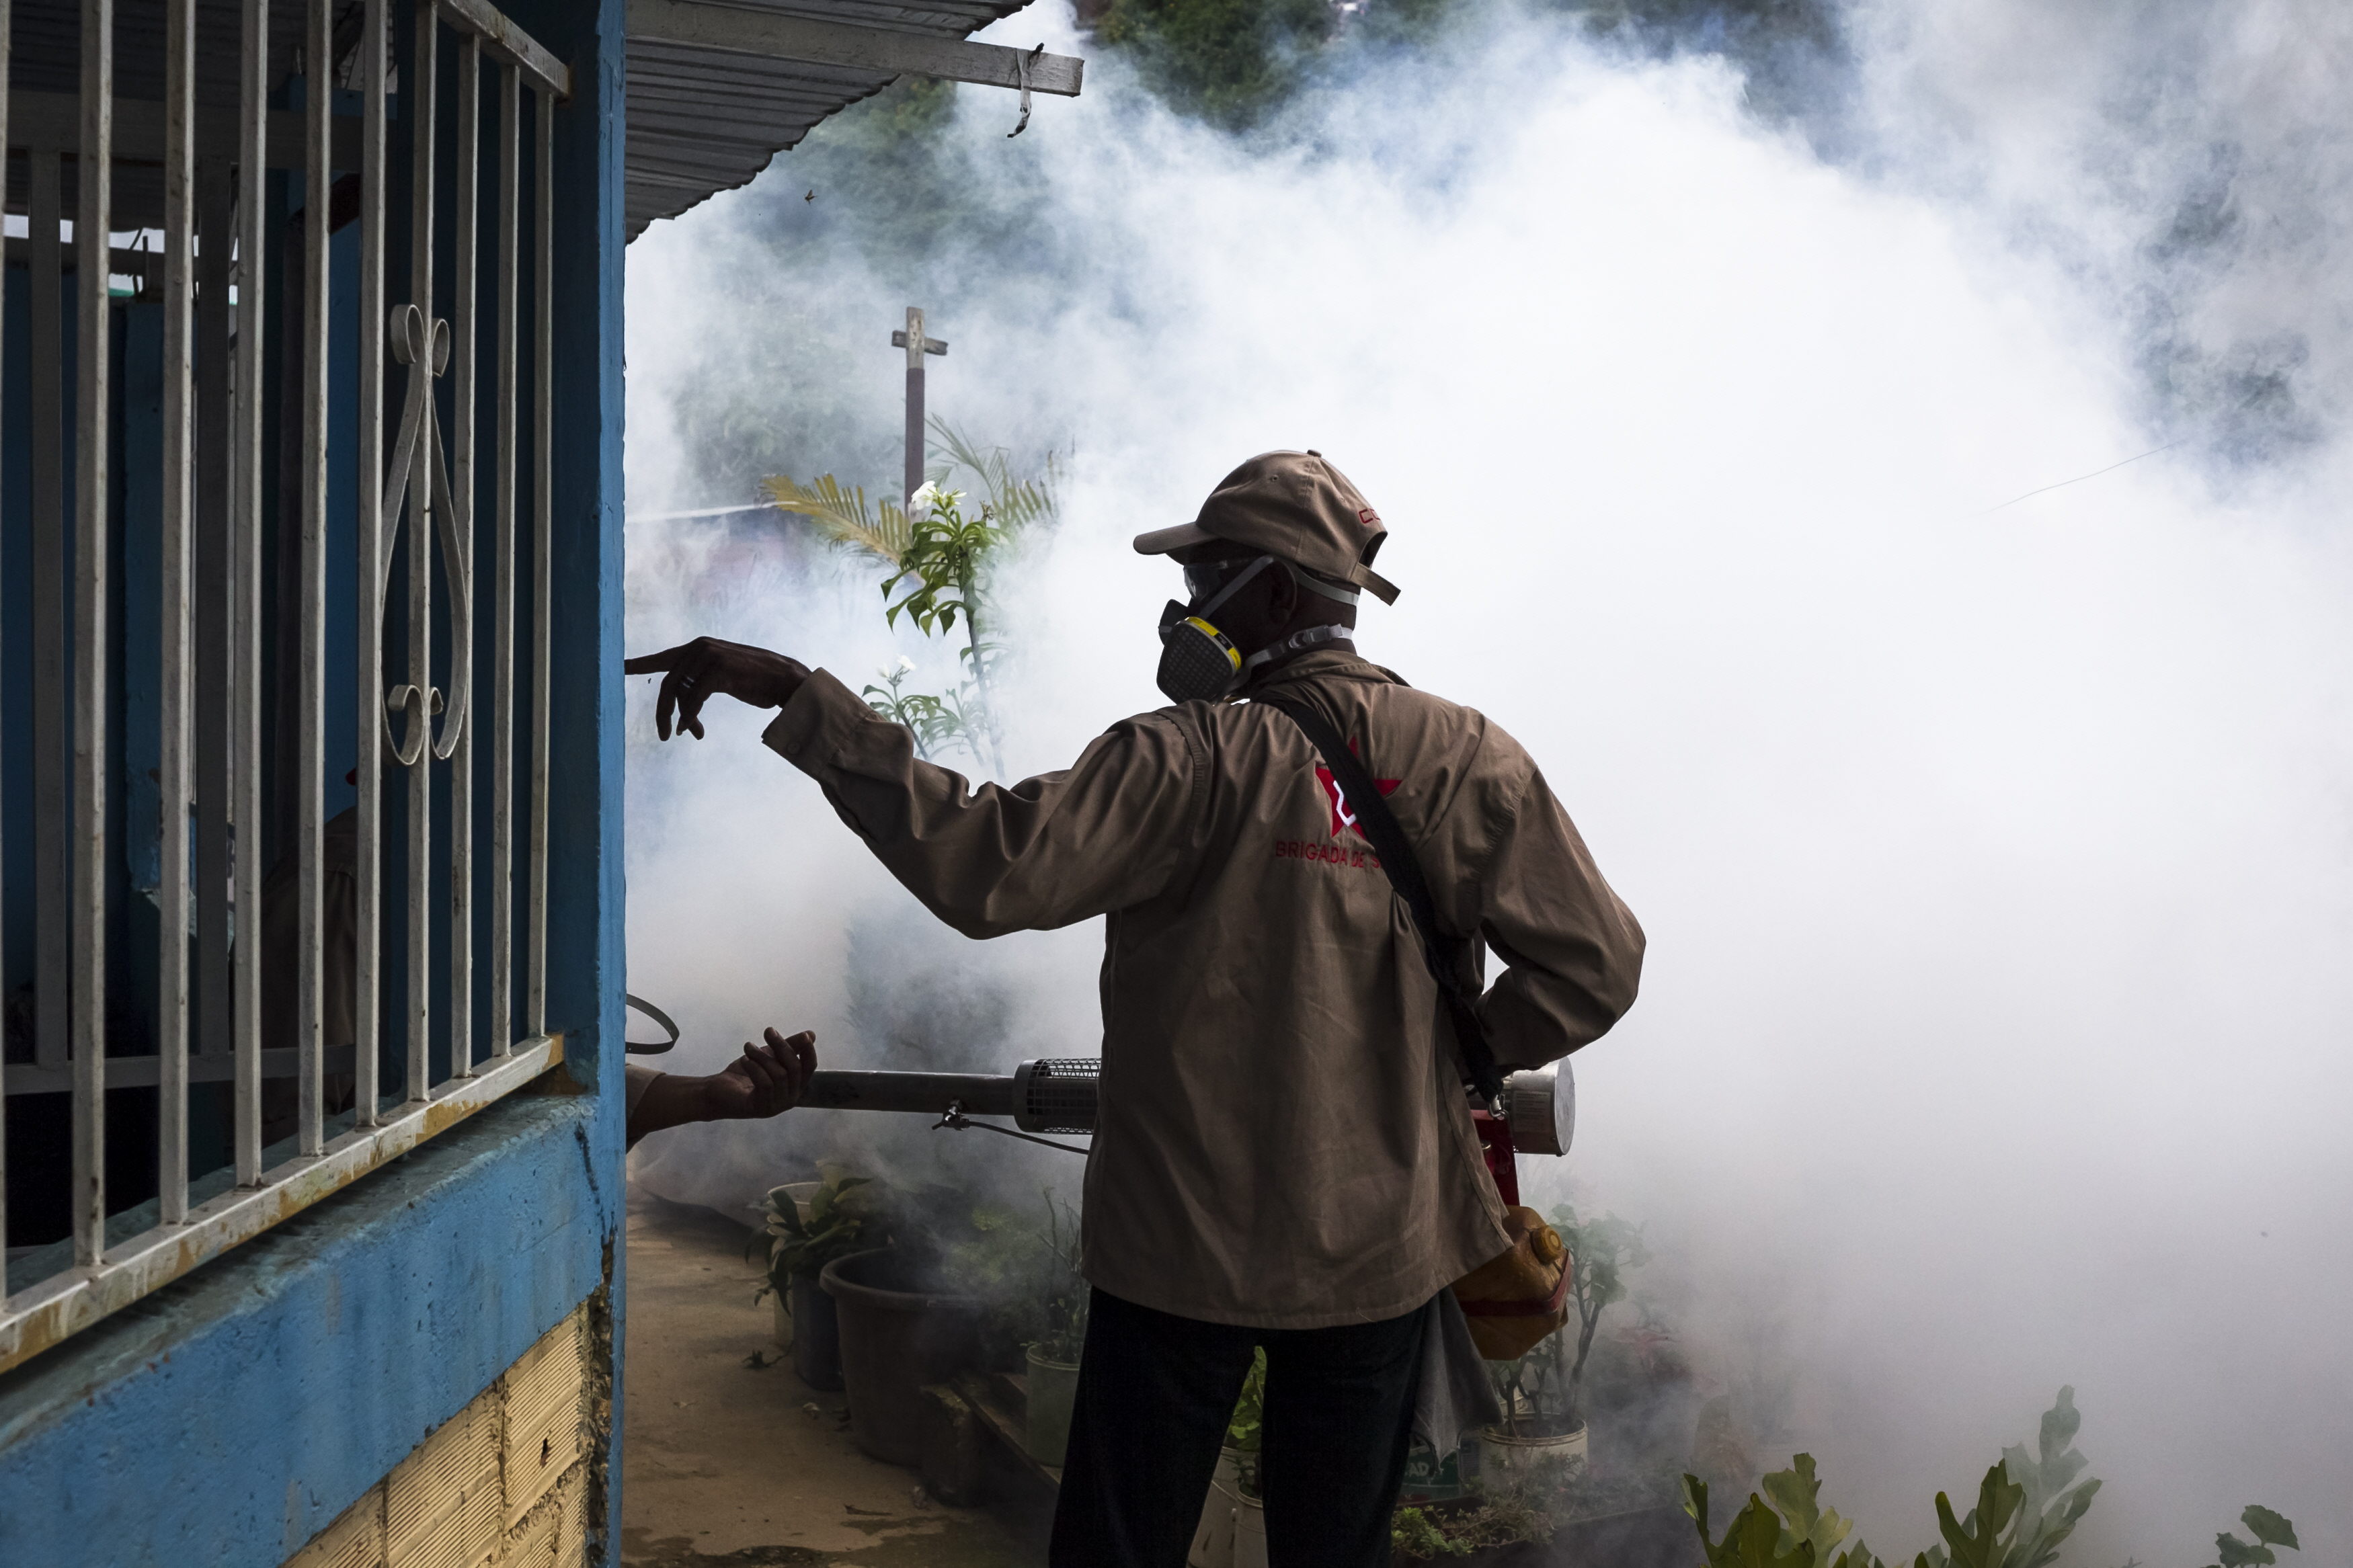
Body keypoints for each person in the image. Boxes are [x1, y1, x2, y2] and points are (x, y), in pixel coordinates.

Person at [625, 450, 1644, 1568]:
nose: (1189, 602)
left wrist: (799, 695)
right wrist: (1460, 1052)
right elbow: (1595, 962)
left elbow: (984, 866)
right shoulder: (1467, 758)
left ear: (1281, 593)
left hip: (1177, 1252)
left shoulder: (1185, 758)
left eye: (1211, 574)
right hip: (1378, 1251)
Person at [256, 798, 817, 1153]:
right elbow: (296, 1130)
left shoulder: (489, 873)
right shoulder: (348, 876)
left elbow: (535, 1074)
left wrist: (706, 1096)